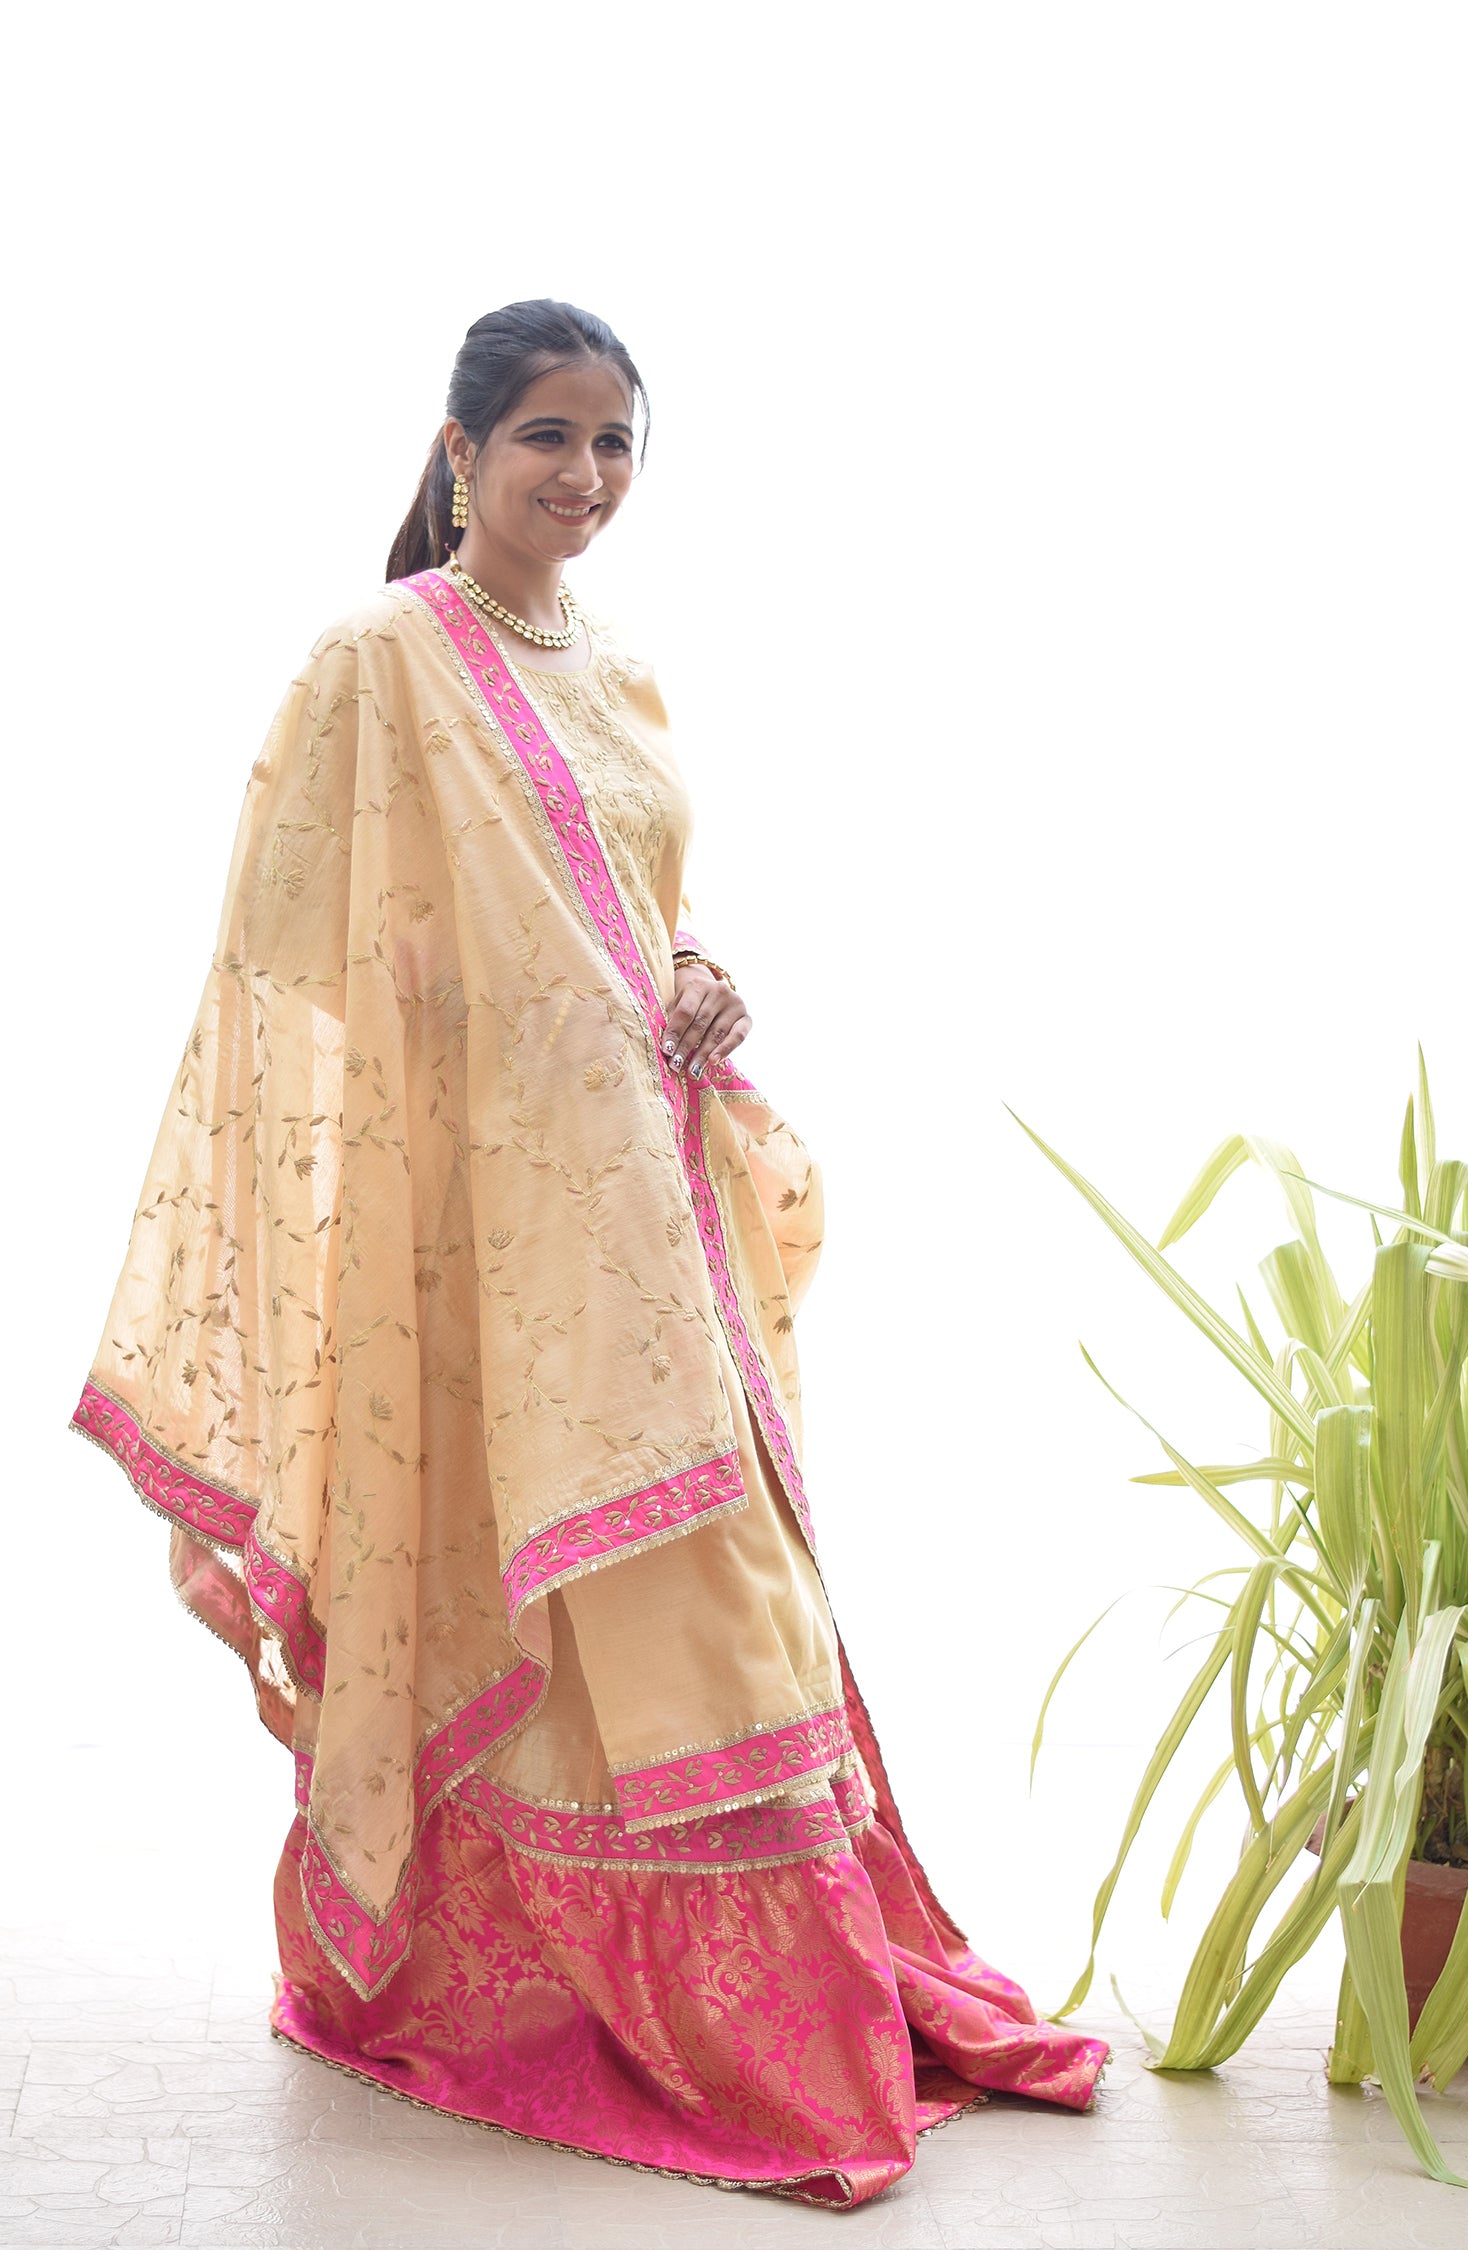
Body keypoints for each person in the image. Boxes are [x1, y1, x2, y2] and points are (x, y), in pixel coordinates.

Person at [71, 300, 1108, 2208]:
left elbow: (650, 908)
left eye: (618, 443)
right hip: (490, 1208)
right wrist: (479, 1033)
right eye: (548, 436)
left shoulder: (619, 671)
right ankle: (564, 1986)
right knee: (531, 1556)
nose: (587, 476)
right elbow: (287, 943)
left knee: (711, 1552)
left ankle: (783, 1979)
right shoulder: (382, 656)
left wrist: (704, 974)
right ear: (460, 448)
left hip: (649, 1198)